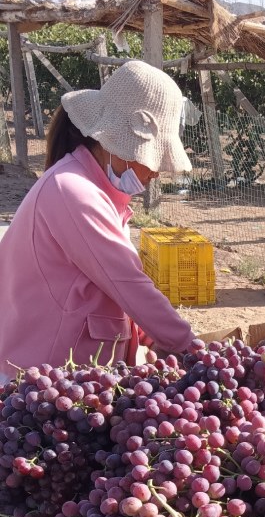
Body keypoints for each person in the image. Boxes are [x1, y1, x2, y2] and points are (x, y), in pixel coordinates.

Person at [0, 61, 195, 379]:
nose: (156, 171)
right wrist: (194, 350)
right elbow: (128, 284)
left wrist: (151, 336)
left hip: (75, 381)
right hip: (44, 387)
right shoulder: (73, 192)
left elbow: (110, 289)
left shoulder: (95, 192)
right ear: (117, 144)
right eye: (152, 158)